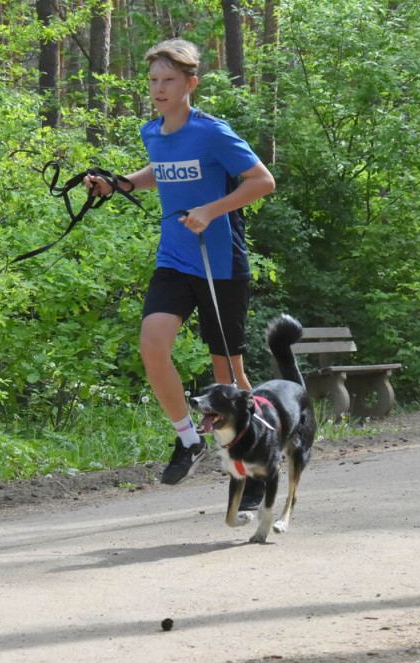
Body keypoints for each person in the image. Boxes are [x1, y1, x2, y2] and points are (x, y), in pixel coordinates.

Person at [84, 38, 275, 503]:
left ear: (190, 84)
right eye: (153, 80)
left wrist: (211, 210)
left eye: (169, 80)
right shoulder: (153, 132)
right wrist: (120, 183)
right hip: (173, 259)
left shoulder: (213, 132)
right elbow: (162, 168)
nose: (159, 88)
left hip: (219, 264)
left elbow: (262, 181)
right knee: (152, 346)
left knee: (228, 373)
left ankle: (255, 466)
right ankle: (189, 438)